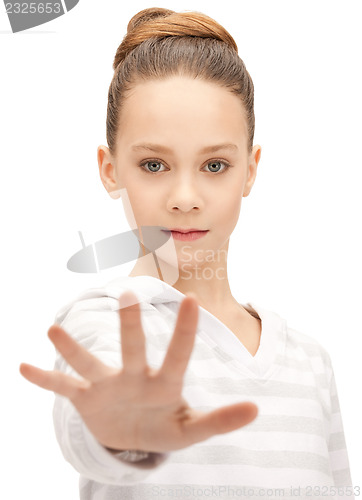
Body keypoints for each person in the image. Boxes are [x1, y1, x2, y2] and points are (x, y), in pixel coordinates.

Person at [19, 7, 355, 500]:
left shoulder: (310, 362)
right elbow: (90, 430)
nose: (185, 196)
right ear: (110, 170)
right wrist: (119, 431)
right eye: (154, 164)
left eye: (215, 164)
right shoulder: (107, 321)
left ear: (251, 170)